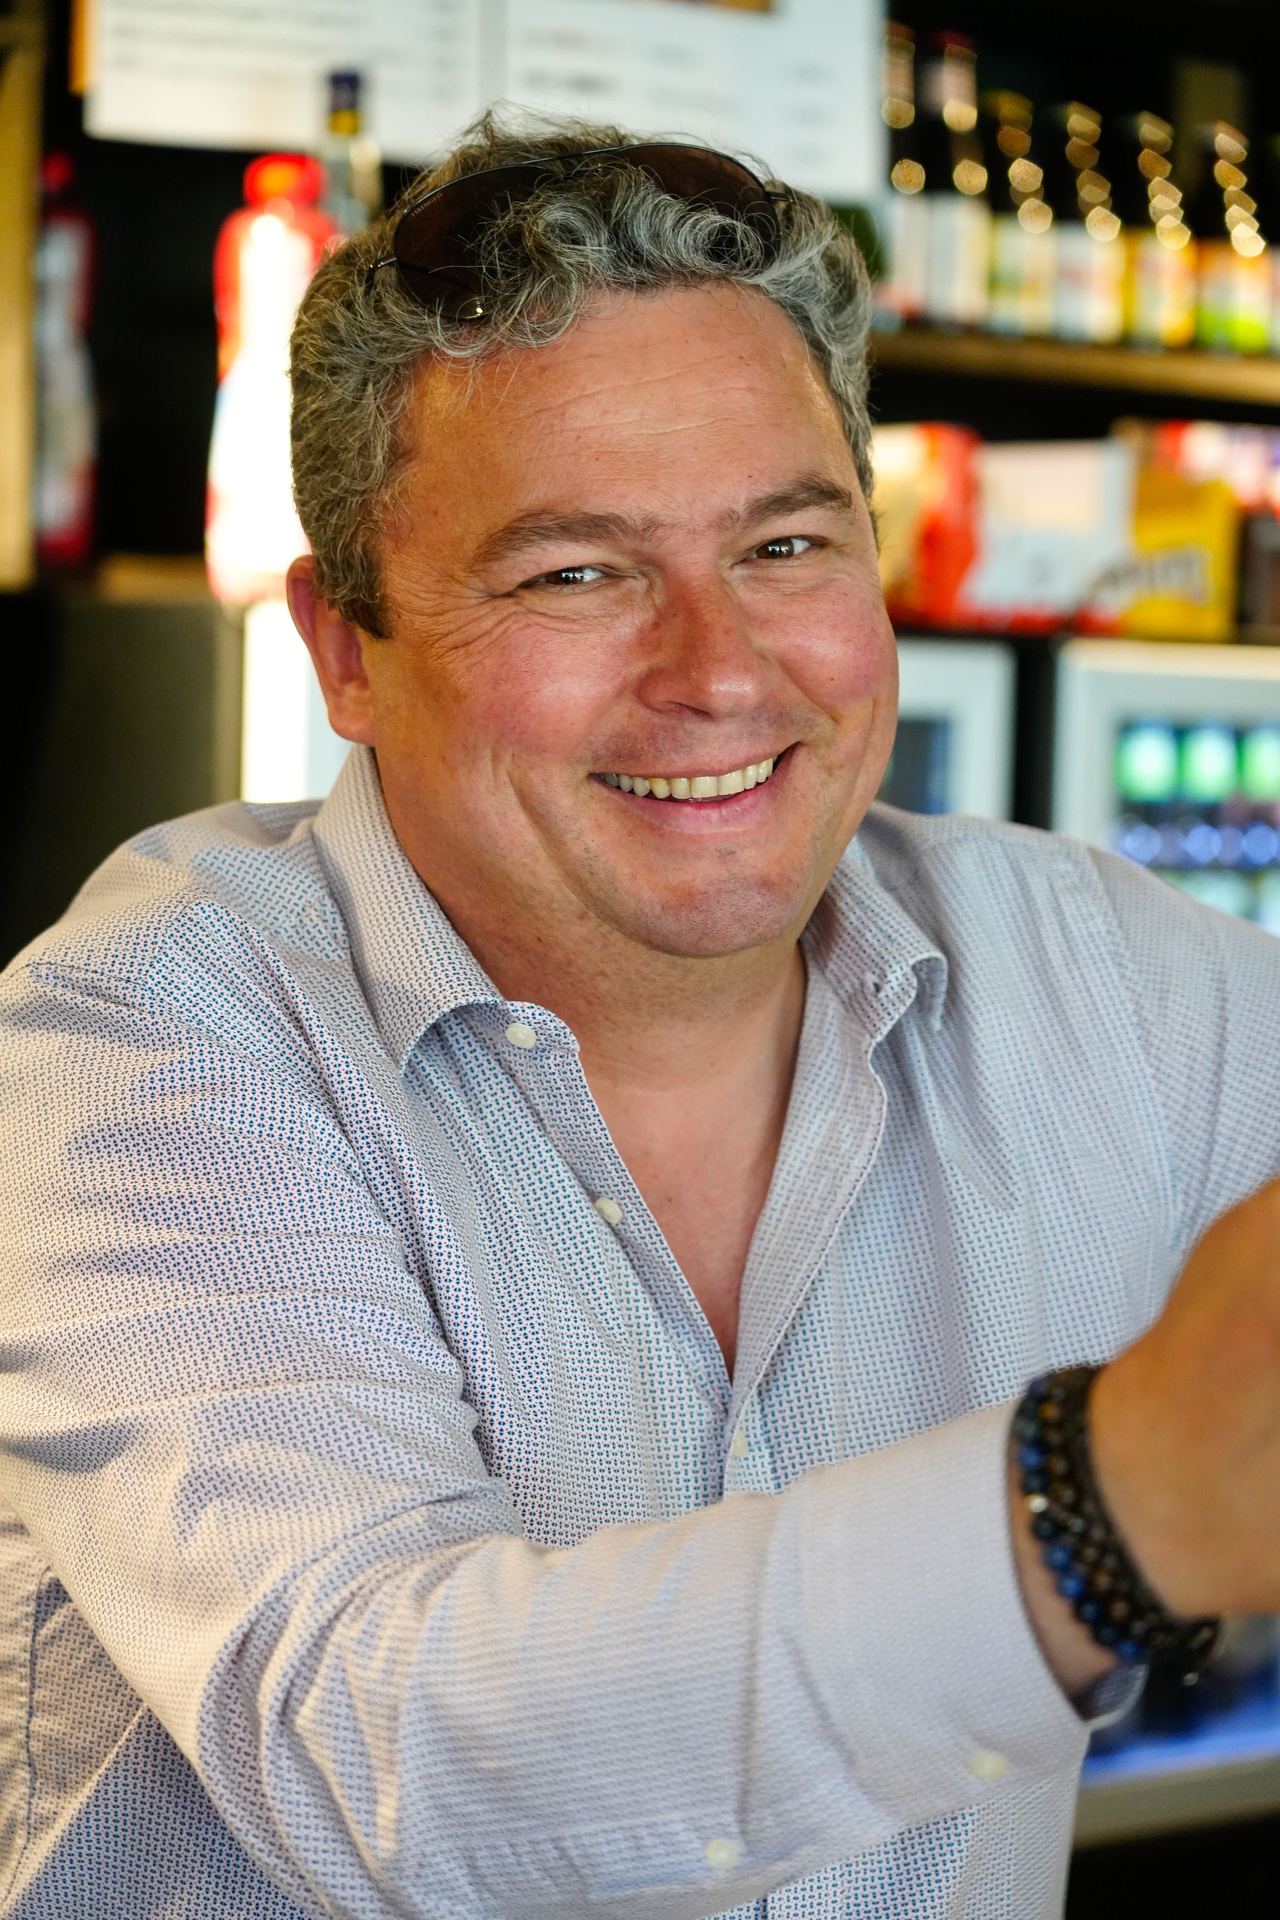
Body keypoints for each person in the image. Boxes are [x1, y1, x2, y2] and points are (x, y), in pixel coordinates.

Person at [0, 116, 1277, 1920]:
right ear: (346, 649)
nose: (719, 671)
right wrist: (1095, 1513)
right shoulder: (151, 1037)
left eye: (786, 545)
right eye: (575, 573)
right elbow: (390, 1751)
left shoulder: (1096, 973)